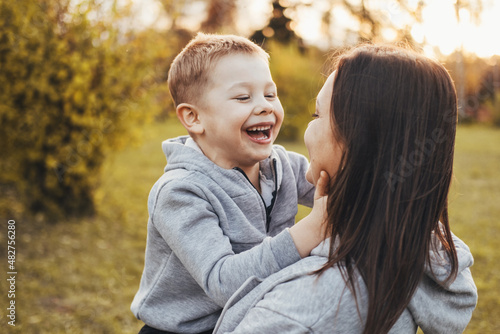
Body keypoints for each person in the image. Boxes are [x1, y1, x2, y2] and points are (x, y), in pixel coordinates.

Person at [214, 44, 478, 334]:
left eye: (316, 116)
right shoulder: (404, 255)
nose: (307, 129)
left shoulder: (304, 309)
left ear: (357, 142)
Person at [131, 33, 328, 334]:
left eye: (270, 95)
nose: (264, 106)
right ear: (194, 117)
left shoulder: (282, 165)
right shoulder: (180, 192)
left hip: (251, 318)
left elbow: (339, 185)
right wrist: (312, 229)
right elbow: (222, 281)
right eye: (243, 97)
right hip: (185, 330)